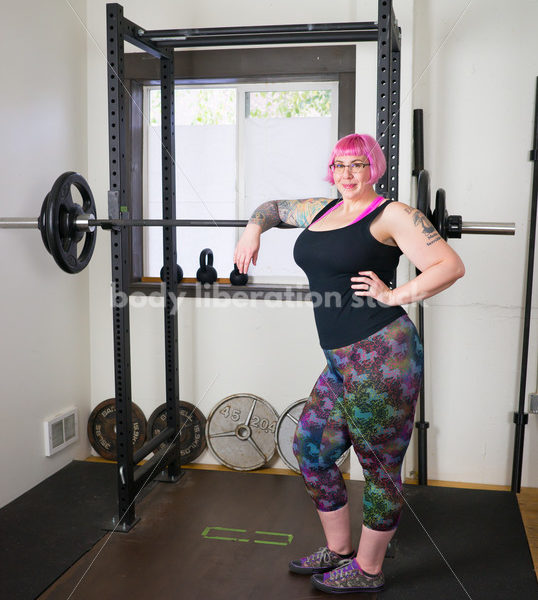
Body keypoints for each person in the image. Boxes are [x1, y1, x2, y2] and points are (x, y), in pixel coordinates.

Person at [233, 133, 465, 594]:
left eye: (357, 165)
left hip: (383, 354)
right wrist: (252, 229)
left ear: (373, 167)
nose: (347, 174)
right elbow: (273, 207)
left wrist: (394, 295)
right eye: (339, 166)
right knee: (312, 449)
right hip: (340, 359)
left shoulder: (392, 214)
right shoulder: (320, 209)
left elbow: (448, 265)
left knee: (377, 465)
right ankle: (340, 551)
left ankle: (369, 568)